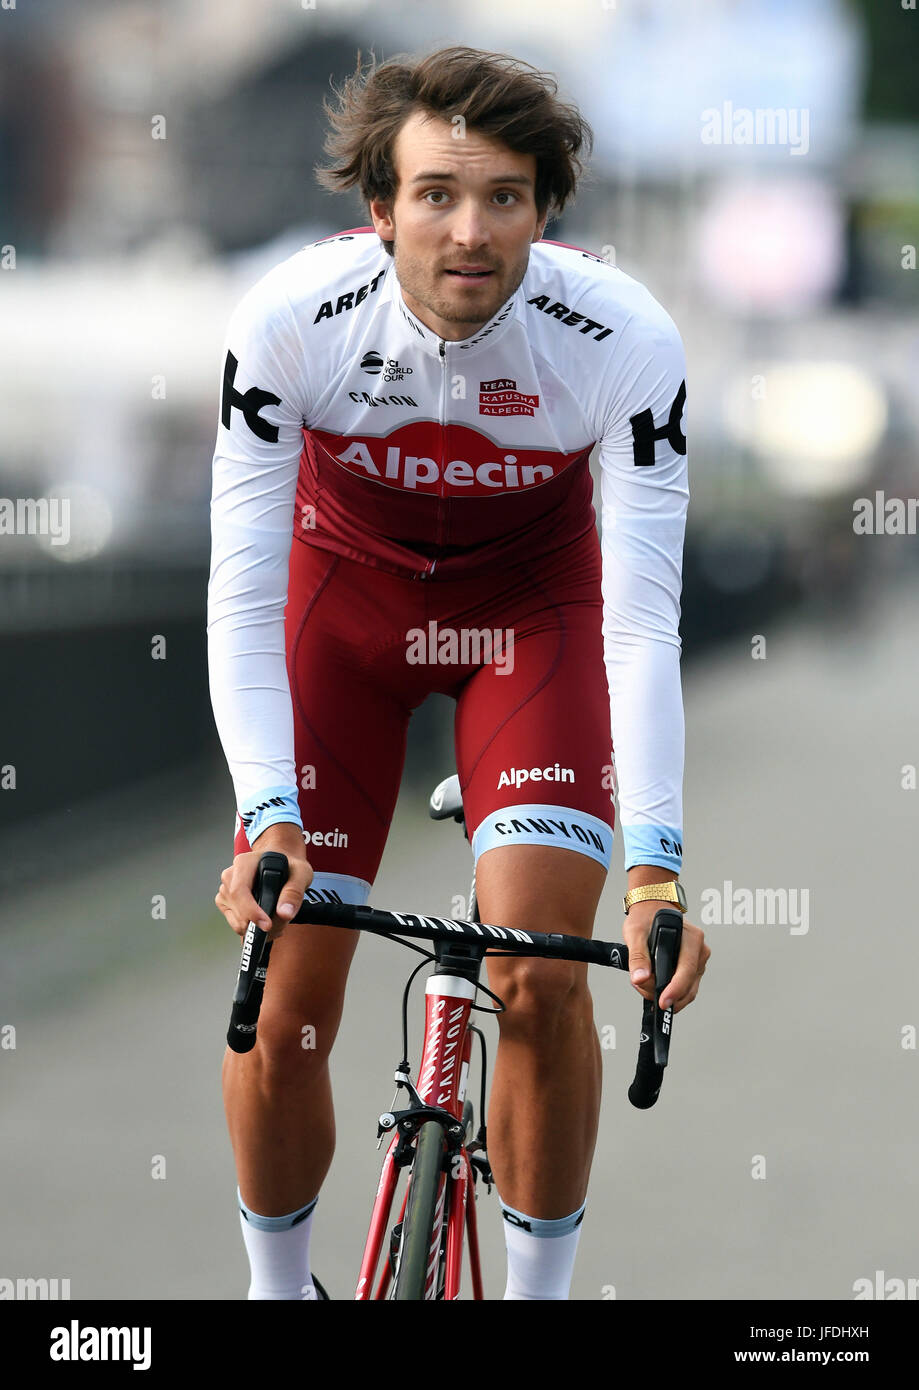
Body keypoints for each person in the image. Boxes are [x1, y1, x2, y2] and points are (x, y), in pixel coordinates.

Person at [209, 44, 709, 1301]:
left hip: (530, 623)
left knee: (538, 971)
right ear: (380, 209)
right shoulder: (289, 319)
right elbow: (245, 592)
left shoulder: (622, 338)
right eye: (435, 194)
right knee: (285, 994)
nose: (470, 231)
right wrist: (268, 812)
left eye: (504, 196)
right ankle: (277, 1288)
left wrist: (655, 868)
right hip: (338, 617)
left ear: (546, 211)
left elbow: (641, 622)